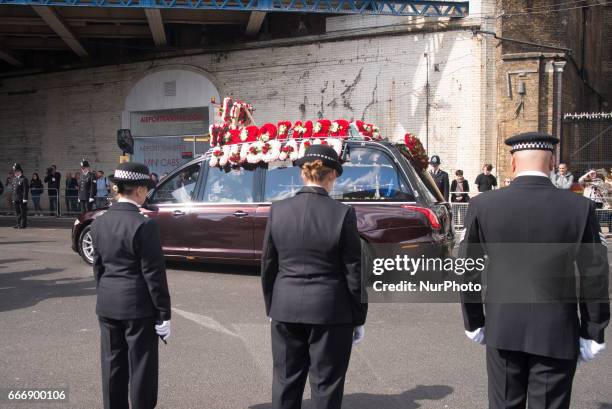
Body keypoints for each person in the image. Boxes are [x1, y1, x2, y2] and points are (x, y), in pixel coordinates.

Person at [459, 132, 609, 409]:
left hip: (503, 326)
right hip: (556, 329)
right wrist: (593, 329)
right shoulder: (579, 207)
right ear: (552, 162)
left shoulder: (483, 205)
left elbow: (468, 268)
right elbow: (595, 274)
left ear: (513, 163)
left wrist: (474, 320)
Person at [261, 144, 368, 409]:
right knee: (325, 385)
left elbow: (268, 265)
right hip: (330, 311)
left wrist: (271, 305)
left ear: (302, 174)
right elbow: (354, 271)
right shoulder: (343, 214)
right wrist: (359, 317)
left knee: (286, 381)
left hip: (285, 307)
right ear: (331, 176)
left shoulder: (278, 210)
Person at [91, 161, 171, 409]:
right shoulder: (144, 224)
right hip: (138, 307)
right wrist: (164, 314)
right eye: (146, 188)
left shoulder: (98, 222)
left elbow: (99, 267)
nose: (146, 193)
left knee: (112, 365)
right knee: (141, 369)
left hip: (107, 303)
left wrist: (106, 293)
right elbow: (154, 275)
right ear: (138, 190)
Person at [11, 163, 29, 229]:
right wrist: (13, 198)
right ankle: (18, 224)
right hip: (16, 198)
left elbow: (25, 190)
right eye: (14, 171)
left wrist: (25, 198)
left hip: (22, 198)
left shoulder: (24, 179)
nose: (15, 172)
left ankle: (23, 224)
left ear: (19, 171)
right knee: (17, 211)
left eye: (15, 171)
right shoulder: (14, 179)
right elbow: (13, 190)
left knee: (22, 212)